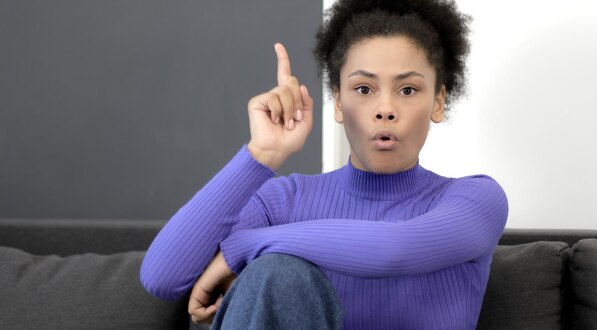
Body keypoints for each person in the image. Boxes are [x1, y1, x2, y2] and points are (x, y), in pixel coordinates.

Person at [140, 0, 508, 329]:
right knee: (278, 275)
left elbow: (395, 248)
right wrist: (262, 155)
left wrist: (242, 248)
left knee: (274, 267)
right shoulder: (282, 201)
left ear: (438, 102)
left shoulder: (475, 199)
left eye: (407, 90)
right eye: (363, 89)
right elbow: (161, 277)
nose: (385, 109)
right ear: (337, 102)